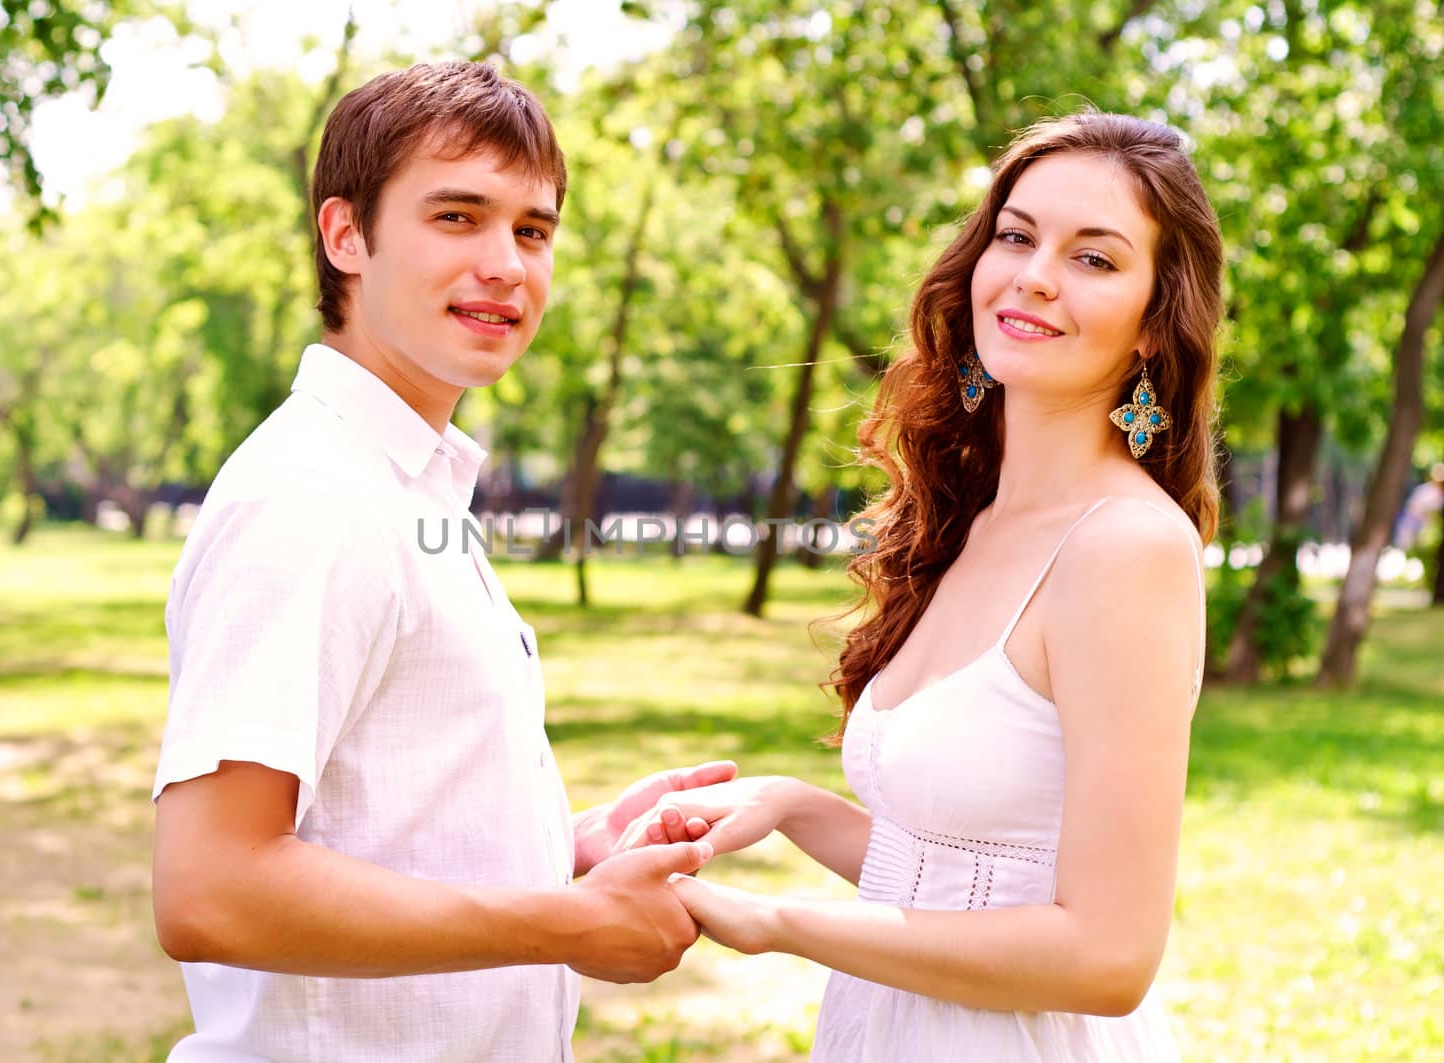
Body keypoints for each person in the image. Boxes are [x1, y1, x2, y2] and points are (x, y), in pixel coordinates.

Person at [149, 60, 734, 1062]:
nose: (506, 263)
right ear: (346, 237)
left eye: (532, 228)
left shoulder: (406, 482)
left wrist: (564, 855)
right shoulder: (312, 495)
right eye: (457, 217)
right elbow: (213, 888)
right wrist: (559, 923)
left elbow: (379, 813)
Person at [626, 111, 1224, 1060]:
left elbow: (1108, 956)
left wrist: (778, 922)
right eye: (1017, 236)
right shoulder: (976, 521)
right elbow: (956, 878)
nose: (1033, 273)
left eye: (1095, 259)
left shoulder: (1127, 548)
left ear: (1156, 324)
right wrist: (789, 804)